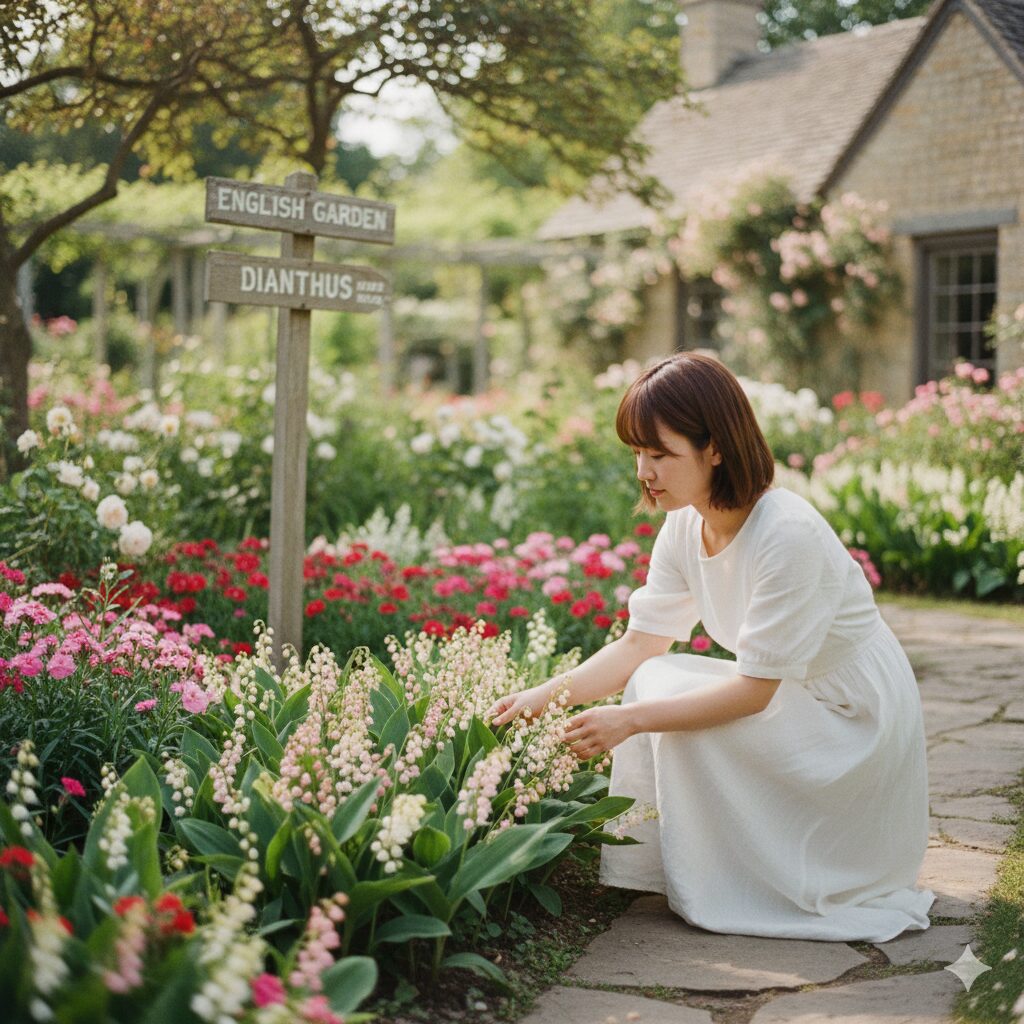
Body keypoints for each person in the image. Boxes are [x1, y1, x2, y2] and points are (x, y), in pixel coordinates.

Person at [487, 352, 934, 942]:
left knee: (660, 707)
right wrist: (543, 697)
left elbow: (753, 694)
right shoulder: (684, 524)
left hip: (853, 719)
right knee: (654, 677)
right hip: (796, 695)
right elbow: (640, 645)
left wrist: (628, 721)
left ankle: (745, 876)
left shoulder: (786, 533)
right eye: (637, 453)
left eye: (661, 454)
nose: (644, 471)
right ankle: (671, 869)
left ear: (716, 448)